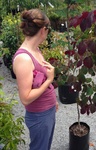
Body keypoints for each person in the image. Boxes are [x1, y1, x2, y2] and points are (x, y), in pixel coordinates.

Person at [12, 9, 58, 150]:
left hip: (47, 111)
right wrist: (49, 80)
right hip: (39, 116)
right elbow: (25, 98)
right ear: (43, 30)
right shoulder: (23, 59)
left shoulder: (35, 50)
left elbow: (40, 80)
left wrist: (53, 101)